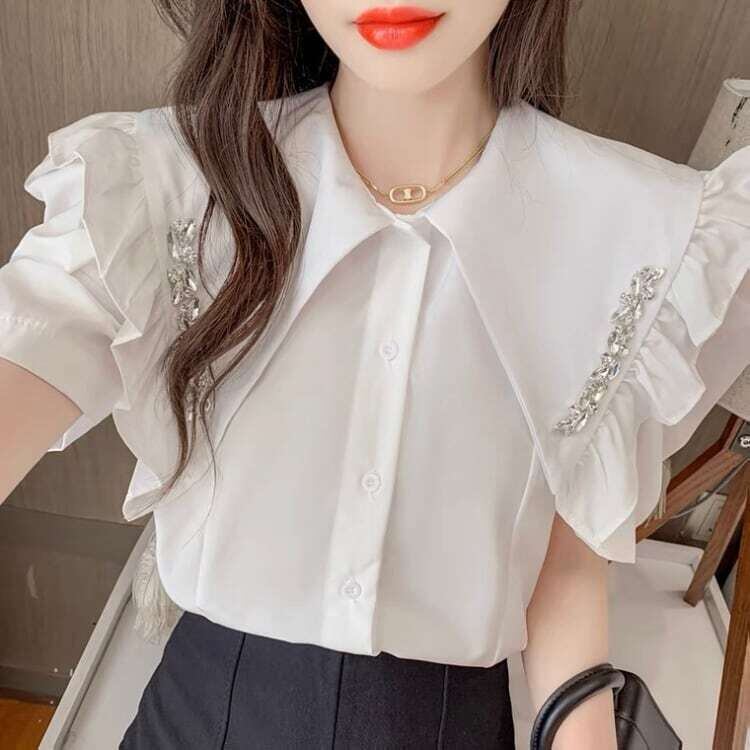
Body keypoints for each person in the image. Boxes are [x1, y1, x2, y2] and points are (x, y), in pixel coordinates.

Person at [1, 1, 748, 747]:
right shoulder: (158, 186)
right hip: (202, 718)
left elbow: (567, 565)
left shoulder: (637, 230)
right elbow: (33, 339)